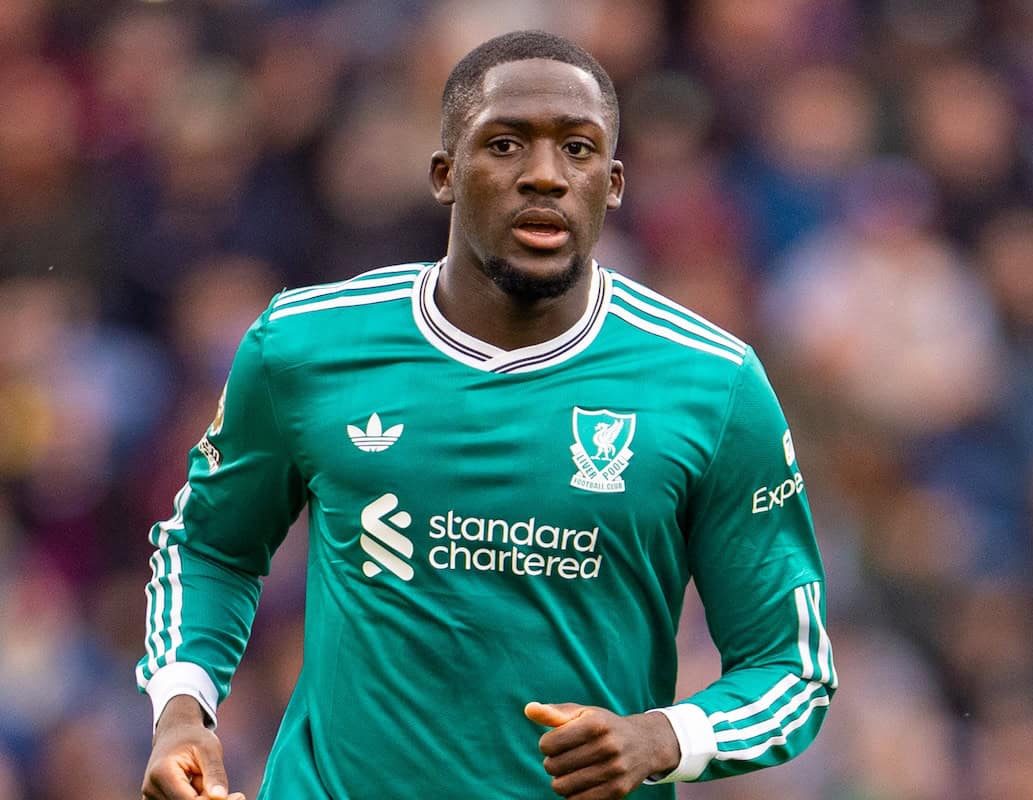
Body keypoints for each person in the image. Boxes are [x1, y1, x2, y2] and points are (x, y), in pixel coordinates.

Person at [137, 30, 836, 800]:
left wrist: (662, 737)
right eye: (505, 144)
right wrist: (183, 711)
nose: (545, 176)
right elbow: (209, 544)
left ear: (613, 184)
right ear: (444, 174)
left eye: (578, 148)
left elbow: (793, 670)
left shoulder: (712, 384)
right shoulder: (306, 344)